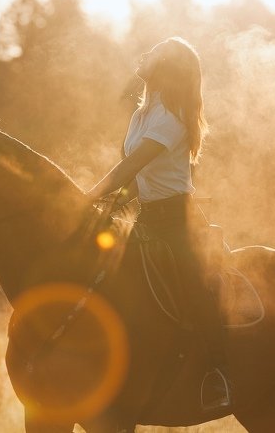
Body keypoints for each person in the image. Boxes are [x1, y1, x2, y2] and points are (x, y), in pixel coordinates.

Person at [87, 37, 231, 411]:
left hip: (178, 221)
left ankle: (218, 372)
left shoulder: (172, 116)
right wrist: (111, 202)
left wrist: (84, 197)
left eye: (154, 53)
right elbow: (138, 179)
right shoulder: (142, 113)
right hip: (150, 215)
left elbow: (130, 166)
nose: (145, 54)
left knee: (194, 292)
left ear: (166, 68)